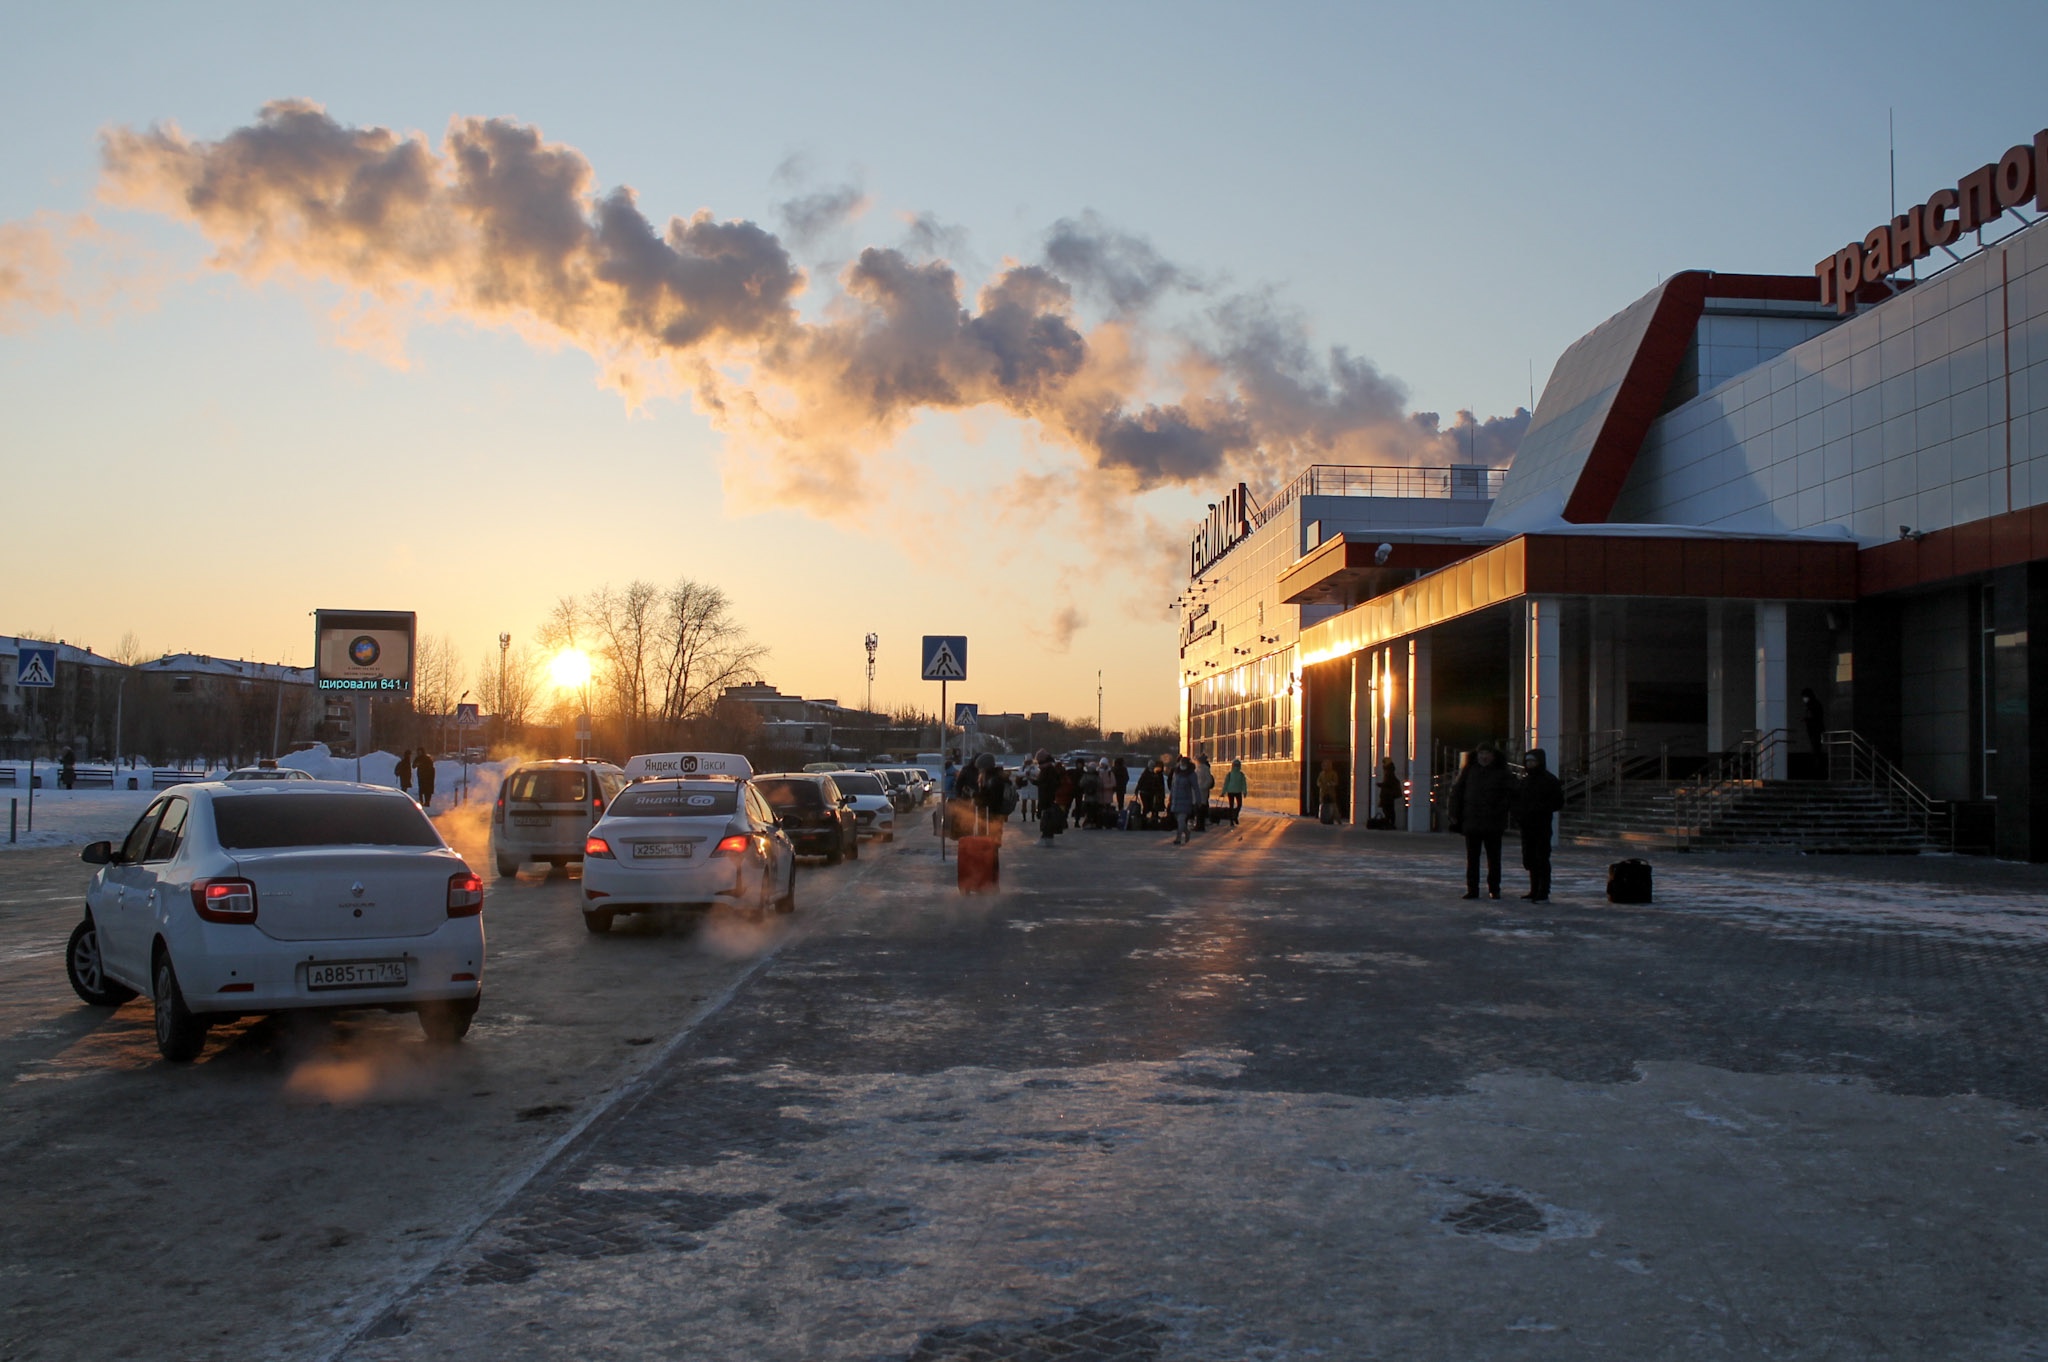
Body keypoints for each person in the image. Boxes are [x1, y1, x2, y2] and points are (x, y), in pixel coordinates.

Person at [1448, 745, 1514, 899]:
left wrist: (1503, 809)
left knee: (1494, 858)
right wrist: (1454, 813)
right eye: (1481, 753)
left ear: (1493, 756)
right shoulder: (1469, 771)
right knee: (1472, 859)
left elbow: (1511, 793)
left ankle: (1494, 888)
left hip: (1493, 822)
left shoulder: (1501, 772)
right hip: (1472, 821)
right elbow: (1457, 792)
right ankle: (1473, 889)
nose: (1484, 757)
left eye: (1487, 753)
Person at [1514, 748, 1564, 903]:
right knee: (1529, 858)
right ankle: (1534, 889)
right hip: (1526, 825)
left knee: (1541, 858)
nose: (1530, 764)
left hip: (1541, 824)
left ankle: (1543, 891)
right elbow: (1517, 801)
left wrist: (1541, 808)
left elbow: (1558, 802)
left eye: (1533, 761)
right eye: (1528, 761)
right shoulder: (1525, 781)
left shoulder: (1549, 780)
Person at [1168, 755, 1200, 845]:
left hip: (1185, 800)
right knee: (1179, 821)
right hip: (1176, 800)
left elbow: (1196, 787)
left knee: (1181, 820)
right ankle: (1186, 832)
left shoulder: (1191, 774)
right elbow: (1173, 786)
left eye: (1183, 763)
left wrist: (1198, 800)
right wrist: (1170, 798)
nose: (1182, 765)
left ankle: (1178, 838)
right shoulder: (1176, 772)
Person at [1801, 687, 1827, 761]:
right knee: (1816, 748)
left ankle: (1818, 764)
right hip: (1815, 729)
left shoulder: (1812, 705)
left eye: (1804, 697)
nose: (1804, 699)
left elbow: (1815, 717)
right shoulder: (1814, 704)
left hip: (1815, 729)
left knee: (1816, 748)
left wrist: (1807, 719)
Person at [1194, 754, 1216, 832]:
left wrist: (1203, 787)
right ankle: (1198, 824)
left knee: (1200, 809)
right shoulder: (1197, 769)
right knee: (1198, 808)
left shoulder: (1204, 769)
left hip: (1202, 791)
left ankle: (1200, 825)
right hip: (1197, 791)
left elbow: (1208, 780)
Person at [1377, 758, 1401, 828]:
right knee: (1390, 809)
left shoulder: (1389, 772)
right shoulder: (1390, 771)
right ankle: (1390, 823)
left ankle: (1389, 823)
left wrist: (1381, 785)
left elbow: (1388, 783)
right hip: (1389, 795)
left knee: (1387, 809)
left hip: (1387, 795)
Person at [1222, 758, 1247, 823]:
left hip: (1230, 792)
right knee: (1239, 805)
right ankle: (1235, 815)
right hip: (1238, 791)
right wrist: (1244, 792)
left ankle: (1232, 818)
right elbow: (1244, 783)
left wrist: (1223, 792)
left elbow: (1226, 783)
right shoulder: (1241, 774)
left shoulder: (1229, 774)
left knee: (1231, 805)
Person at [1316, 759, 1341, 824]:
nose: (1325, 766)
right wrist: (1320, 785)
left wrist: (1330, 784)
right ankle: (1322, 818)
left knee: (1333, 806)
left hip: (1330, 793)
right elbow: (1318, 782)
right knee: (1322, 805)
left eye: (1327, 765)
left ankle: (1337, 819)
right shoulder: (1321, 774)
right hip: (1323, 792)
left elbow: (1336, 782)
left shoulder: (1333, 773)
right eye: (1324, 765)